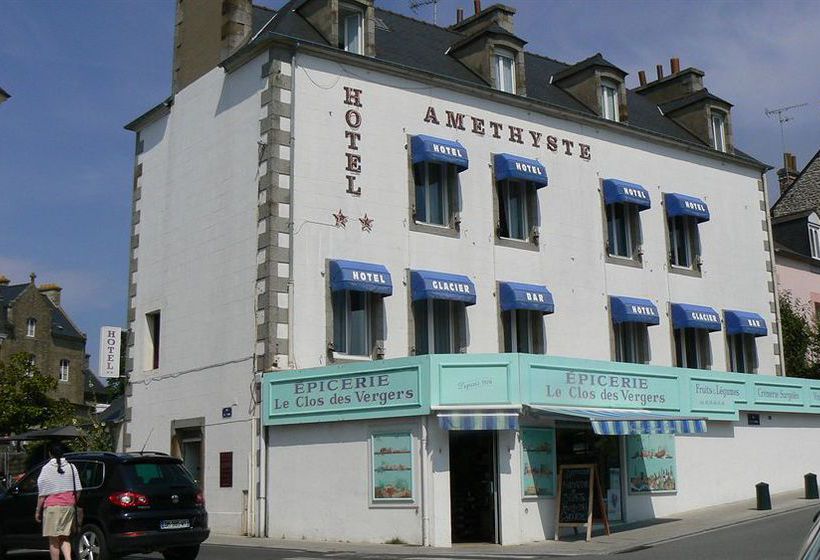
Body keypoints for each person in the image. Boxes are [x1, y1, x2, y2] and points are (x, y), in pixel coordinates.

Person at [34, 443, 82, 560]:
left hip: (52, 508)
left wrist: (37, 511)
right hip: (68, 506)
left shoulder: (46, 469)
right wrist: (73, 501)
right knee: (64, 537)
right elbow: (78, 489)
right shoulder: (71, 467)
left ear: (50, 454)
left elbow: (42, 493)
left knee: (53, 540)